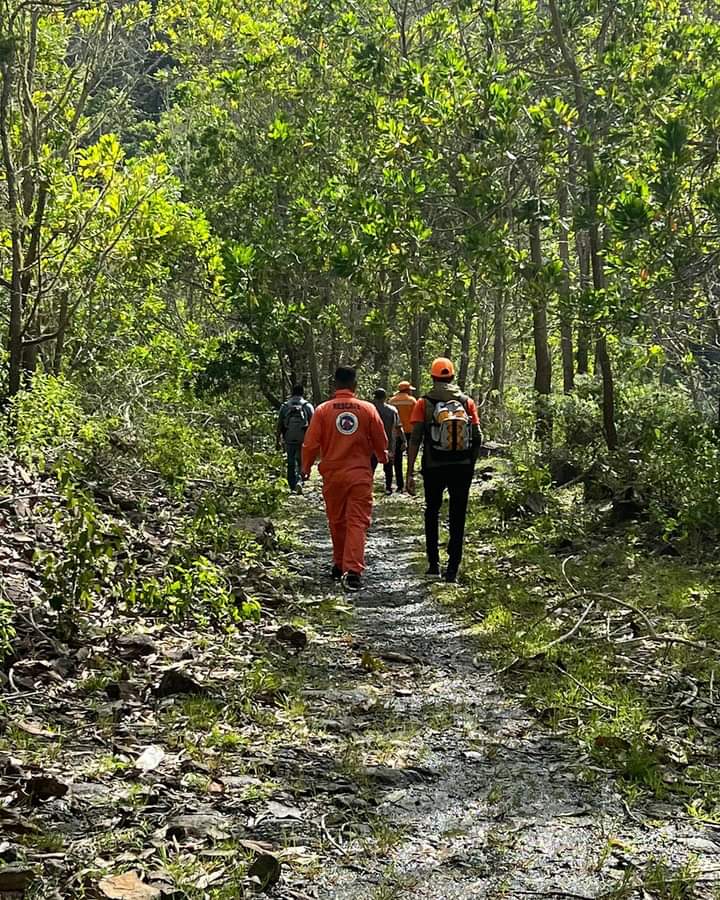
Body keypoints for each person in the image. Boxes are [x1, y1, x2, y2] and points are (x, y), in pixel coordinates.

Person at [301, 366, 388, 592]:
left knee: (337, 520)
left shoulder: (322, 411)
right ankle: (353, 570)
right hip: (359, 475)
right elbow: (381, 438)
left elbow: (310, 443)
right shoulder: (367, 409)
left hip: (333, 476)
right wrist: (382, 455)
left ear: (334, 385)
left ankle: (339, 564)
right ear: (355, 386)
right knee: (357, 521)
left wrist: (305, 467)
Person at [406, 358, 481, 583]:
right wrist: (470, 463)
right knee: (457, 515)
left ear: (433, 377)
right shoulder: (467, 402)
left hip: (433, 465)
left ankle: (433, 565)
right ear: (452, 377)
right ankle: (453, 569)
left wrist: (409, 471)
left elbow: (415, 439)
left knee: (432, 511)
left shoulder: (424, 403)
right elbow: (477, 437)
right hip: (462, 467)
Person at [276, 385, 314, 494]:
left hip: (289, 438)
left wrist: (277, 440)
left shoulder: (285, 406)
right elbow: (314, 425)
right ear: (303, 392)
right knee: (302, 461)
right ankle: (300, 481)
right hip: (303, 438)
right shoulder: (307, 406)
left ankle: (292, 486)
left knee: (291, 461)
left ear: (292, 393)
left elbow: (279, 425)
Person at [371, 388, 402, 495]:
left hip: (371, 444)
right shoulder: (392, 410)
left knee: (371, 466)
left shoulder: (369, 410)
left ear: (374, 397)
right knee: (388, 467)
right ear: (385, 397)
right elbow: (398, 427)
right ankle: (388, 487)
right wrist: (404, 440)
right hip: (388, 443)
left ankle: (368, 486)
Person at [389, 380, 416, 491]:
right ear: (407, 390)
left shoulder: (391, 401)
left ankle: (399, 485)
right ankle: (409, 481)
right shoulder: (412, 401)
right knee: (411, 458)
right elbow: (416, 417)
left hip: (396, 433)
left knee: (397, 459)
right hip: (410, 432)